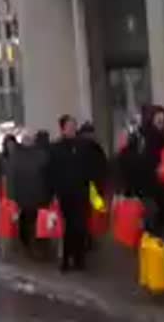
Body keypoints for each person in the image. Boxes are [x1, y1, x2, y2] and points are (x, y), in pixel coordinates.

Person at [117, 105, 164, 234]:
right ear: (151, 119)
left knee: (163, 217)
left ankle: (157, 247)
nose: (161, 123)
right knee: (152, 218)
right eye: (158, 120)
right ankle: (150, 245)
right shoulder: (141, 136)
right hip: (146, 186)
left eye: (163, 120)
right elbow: (126, 158)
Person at [48, 115, 91, 272]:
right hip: (65, 194)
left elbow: (89, 168)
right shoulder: (56, 148)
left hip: (81, 192)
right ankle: (66, 259)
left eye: (74, 125)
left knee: (80, 226)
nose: (73, 128)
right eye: (69, 126)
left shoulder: (83, 146)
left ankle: (80, 259)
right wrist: (53, 193)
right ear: (63, 128)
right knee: (68, 228)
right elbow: (51, 172)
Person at [5, 130, 49, 254]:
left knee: (36, 222)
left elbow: (47, 175)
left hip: (37, 196)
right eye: (26, 139)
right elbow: (11, 177)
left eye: (30, 139)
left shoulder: (40, 155)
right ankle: (30, 245)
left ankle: (36, 246)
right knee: (26, 222)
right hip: (25, 197)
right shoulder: (18, 156)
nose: (28, 142)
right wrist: (11, 196)